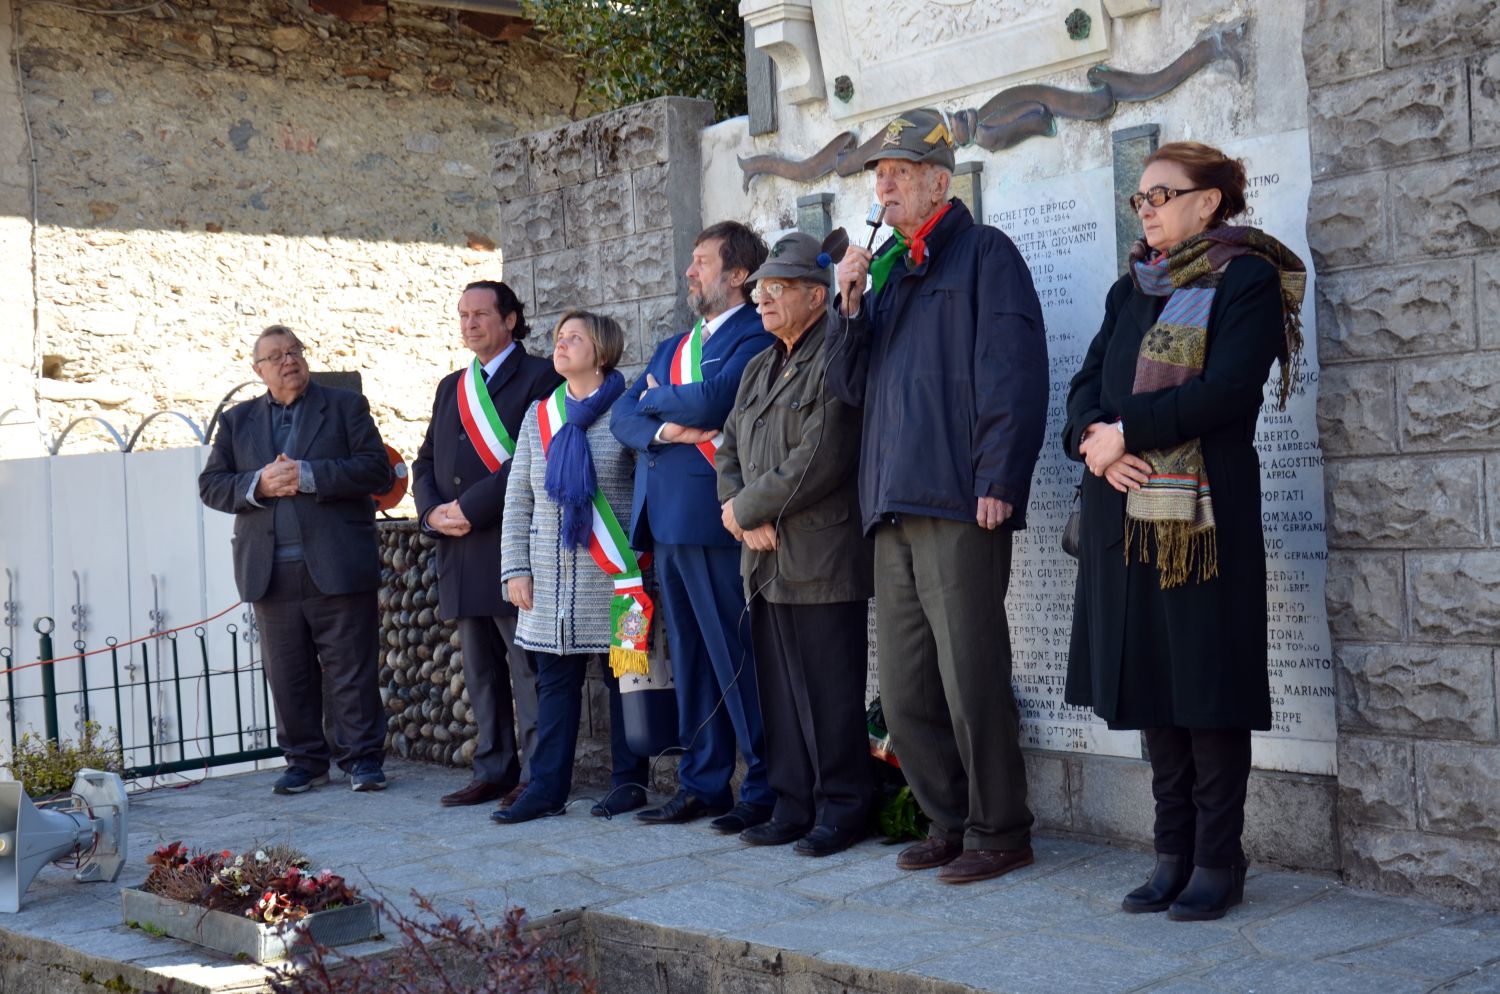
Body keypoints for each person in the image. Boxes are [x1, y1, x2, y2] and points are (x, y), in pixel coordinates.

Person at [1062, 140, 1306, 921]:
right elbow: (1084, 388)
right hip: (1126, 515)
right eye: (1141, 198)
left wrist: (1125, 432)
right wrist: (1094, 444)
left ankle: (1217, 859)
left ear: (1209, 202)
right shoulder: (1129, 289)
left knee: (1206, 688)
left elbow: (1228, 391)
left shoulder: (1247, 280)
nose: (1148, 209)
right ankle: (1170, 851)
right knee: (1152, 687)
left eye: (1161, 195)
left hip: (1205, 515)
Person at [827, 108, 1048, 884]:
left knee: (971, 675)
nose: (884, 186)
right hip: (891, 504)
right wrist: (849, 306)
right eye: (879, 175)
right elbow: (849, 389)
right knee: (904, 687)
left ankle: (1000, 828)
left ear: (939, 184)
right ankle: (948, 819)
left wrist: (1000, 478)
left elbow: (1013, 372)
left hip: (959, 500)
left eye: (899, 173)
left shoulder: (986, 254)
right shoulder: (884, 276)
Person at [610, 221, 776, 832]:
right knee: (693, 662)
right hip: (666, 521)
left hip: (714, 520)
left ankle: (763, 785)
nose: (690, 271)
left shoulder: (754, 333)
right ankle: (704, 783)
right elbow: (622, 416)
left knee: (736, 658)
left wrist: (659, 400)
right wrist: (667, 427)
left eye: (702, 261)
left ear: (738, 274)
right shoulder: (672, 347)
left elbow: (716, 401)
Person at [717, 232, 874, 857]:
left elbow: (823, 455)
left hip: (819, 554)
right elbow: (729, 447)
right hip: (762, 556)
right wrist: (739, 512)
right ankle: (792, 803)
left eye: (777, 288)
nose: (763, 299)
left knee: (830, 691)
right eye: (760, 289)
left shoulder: (834, 354)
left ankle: (843, 808)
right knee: (779, 691)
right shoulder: (760, 364)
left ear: (816, 294)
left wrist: (748, 508)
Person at [199, 324, 390, 795]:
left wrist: (309, 475)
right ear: (258, 370)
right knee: (288, 674)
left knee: (351, 670)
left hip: (338, 562)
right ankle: (305, 762)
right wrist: (258, 485)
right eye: (277, 356)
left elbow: (376, 469)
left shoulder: (345, 406)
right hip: (269, 571)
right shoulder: (237, 421)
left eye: (294, 351)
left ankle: (363, 759)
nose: (289, 361)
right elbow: (211, 486)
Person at [494, 311, 653, 823]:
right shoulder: (539, 415)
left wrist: (644, 564)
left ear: (601, 352)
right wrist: (515, 568)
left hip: (618, 580)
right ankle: (546, 790)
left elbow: (647, 493)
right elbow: (519, 498)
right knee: (554, 687)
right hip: (549, 584)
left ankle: (630, 783)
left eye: (573, 338)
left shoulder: (629, 413)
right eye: (559, 337)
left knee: (625, 681)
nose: (560, 345)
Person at [413, 280, 561, 810]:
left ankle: (539, 775)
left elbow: (532, 458)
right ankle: (494, 769)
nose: (470, 324)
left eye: (480, 314)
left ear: (510, 319)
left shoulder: (541, 376)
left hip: (511, 543)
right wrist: (431, 512)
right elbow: (425, 460)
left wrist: (467, 508)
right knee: (480, 671)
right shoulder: (452, 386)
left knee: (527, 668)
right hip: (458, 545)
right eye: (463, 315)